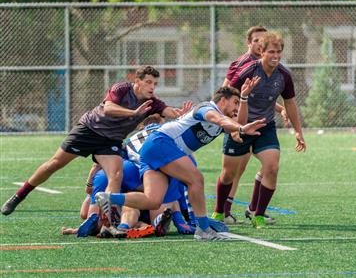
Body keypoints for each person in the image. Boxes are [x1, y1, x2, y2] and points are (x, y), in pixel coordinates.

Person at [1, 65, 191, 216]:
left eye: (155, 84)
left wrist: (180, 114)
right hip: (89, 130)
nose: (152, 87)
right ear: (137, 81)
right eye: (149, 82)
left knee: (115, 175)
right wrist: (133, 113)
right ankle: (19, 196)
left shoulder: (152, 103)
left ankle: (109, 221)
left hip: (110, 141)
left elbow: (168, 111)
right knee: (54, 164)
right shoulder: (122, 89)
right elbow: (108, 108)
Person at [95, 82, 265, 241]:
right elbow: (223, 121)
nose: (237, 108)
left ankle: (109, 198)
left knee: (153, 200)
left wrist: (243, 100)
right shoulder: (207, 108)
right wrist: (241, 128)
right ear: (223, 100)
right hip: (161, 143)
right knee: (196, 179)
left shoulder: (223, 121)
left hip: (154, 149)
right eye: (235, 103)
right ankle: (203, 229)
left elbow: (237, 126)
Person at [213, 32, 306, 229]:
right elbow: (227, 95)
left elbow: (290, 102)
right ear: (261, 52)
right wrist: (231, 124)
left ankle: (258, 215)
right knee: (229, 173)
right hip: (241, 125)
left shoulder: (284, 76)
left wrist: (298, 131)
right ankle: (219, 212)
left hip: (265, 127)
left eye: (279, 52)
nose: (276, 55)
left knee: (271, 167)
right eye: (271, 51)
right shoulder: (247, 71)